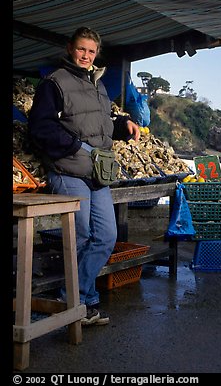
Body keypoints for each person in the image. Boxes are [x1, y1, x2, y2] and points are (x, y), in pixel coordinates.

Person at [28, 27, 140, 326]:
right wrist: (75, 146)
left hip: (97, 175)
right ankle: (79, 303)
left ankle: (75, 298)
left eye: (91, 51)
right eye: (81, 49)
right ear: (70, 48)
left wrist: (123, 126)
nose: (85, 56)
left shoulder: (97, 85)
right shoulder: (54, 83)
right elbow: (40, 128)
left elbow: (99, 126)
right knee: (78, 238)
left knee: (106, 237)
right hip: (68, 171)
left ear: (96, 54)